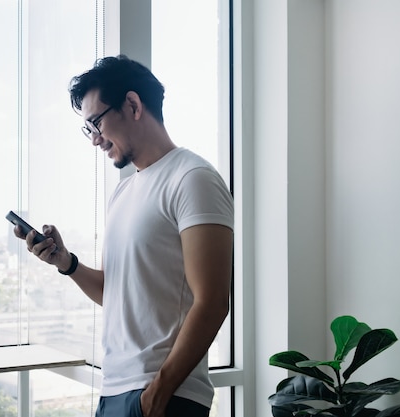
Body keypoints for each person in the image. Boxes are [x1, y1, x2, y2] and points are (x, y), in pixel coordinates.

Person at [13, 55, 234, 417]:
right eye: (88, 129)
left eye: (96, 123)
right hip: (115, 390)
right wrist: (66, 263)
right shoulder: (122, 193)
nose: (95, 139)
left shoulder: (193, 178)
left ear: (132, 105)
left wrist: (159, 392)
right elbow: (114, 293)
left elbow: (212, 302)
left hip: (163, 393)